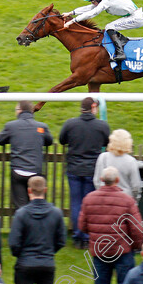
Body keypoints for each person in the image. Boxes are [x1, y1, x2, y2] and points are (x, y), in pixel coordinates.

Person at [79, 167, 143, 284]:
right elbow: (137, 229)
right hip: (123, 250)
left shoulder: (89, 199)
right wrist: (135, 246)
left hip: (100, 250)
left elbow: (82, 226)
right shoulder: (127, 200)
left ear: (101, 179)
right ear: (117, 180)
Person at [60, 97, 110, 248]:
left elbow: (62, 140)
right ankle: (87, 236)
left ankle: (77, 236)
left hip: (74, 168)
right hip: (92, 169)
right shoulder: (102, 126)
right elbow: (107, 143)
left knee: (76, 203)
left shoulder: (70, 124)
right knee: (90, 204)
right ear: (93, 107)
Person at [63, 0, 143, 62]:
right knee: (110, 27)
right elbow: (89, 8)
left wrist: (72, 21)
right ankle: (122, 43)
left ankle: (121, 53)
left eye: (92, 1)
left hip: (136, 18)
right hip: (132, 16)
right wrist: (70, 13)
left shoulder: (107, 0)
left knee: (109, 27)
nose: (92, 3)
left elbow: (93, 12)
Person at [9, 175, 66, 284]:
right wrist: (48, 252)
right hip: (47, 263)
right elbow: (61, 240)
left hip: (25, 263)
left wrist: (22, 255)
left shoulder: (21, 214)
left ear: (29, 190)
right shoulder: (56, 213)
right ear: (45, 190)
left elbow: (14, 243)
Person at [0, 100, 53, 209]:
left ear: (19, 111)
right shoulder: (42, 126)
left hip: (18, 170)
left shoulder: (11, 126)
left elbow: (0, 140)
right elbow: (49, 141)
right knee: (36, 205)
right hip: (35, 171)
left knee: (20, 208)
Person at [94, 129, 142, 199]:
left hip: (105, 198)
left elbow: (97, 181)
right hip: (125, 199)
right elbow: (135, 186)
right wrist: (134, 199)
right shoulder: (131, 161)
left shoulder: (103, 157)